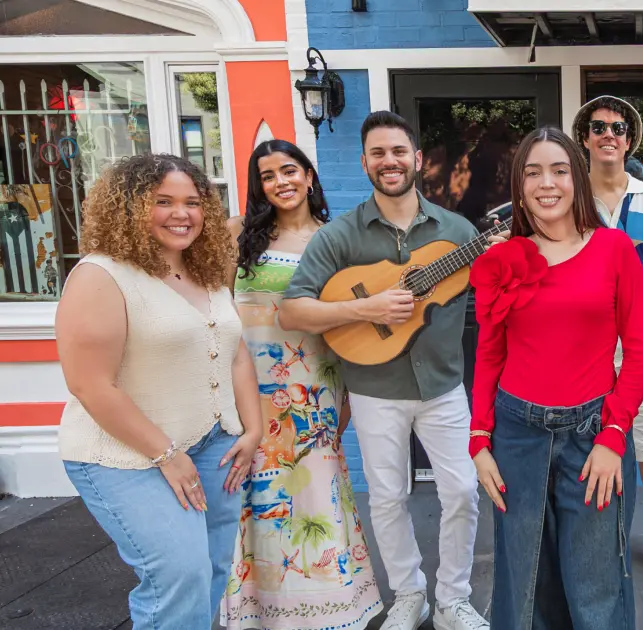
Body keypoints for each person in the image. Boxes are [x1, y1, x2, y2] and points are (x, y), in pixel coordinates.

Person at [279, 111, 496, 630]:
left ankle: (453, 599)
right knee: (388, 497)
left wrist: (505, 254)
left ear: (416, 159)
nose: (389, 161)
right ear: (364, 163)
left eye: (398, 151)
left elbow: (492, 293)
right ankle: (409, 594)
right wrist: (365, 310)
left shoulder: (457, 230)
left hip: (444, 385)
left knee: (463, 491)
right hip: (375, 387)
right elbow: (292, 309)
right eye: (378, 153)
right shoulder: (340, 236)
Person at [56, 153, 264, 628]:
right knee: (177, 574)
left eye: (193, 202)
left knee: (210, 568)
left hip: (214, 445)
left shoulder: (205, 270)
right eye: (163, 201)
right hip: (125, 456)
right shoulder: (101, 275)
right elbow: (89, 383)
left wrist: (251, 430)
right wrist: (167, 454)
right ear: (129, 207)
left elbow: (233, 352)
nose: (182, 213)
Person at [469, 125, 643, 629]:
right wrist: (479, 439)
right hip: (515, 436)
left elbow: (639, 351)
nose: (545, 183)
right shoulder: (502, 259)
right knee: (525, 583)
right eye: (532, 172)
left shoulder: (615, 250)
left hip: (593, 436)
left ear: (578, 179)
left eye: (558, 170)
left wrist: (614, 436)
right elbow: (488, 354)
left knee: (596, 586)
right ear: (520, 186)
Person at [221, 139, 383, 629]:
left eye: (289, 171)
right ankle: (258, 610)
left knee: (318, 488)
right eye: (267, 176)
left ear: (309, 176)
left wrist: (348, 398)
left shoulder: (336, 239)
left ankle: (329, 608)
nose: (280, 183)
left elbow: (350, 326)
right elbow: (213, 311)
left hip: (315, 385)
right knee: (253, 492)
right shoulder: (236, 235)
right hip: (248, 382)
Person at [571, 94, 643, 587]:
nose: (608, 135)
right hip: (579, 343)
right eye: (598, 127)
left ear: (629, 140)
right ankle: (599, 540)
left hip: (639, 341)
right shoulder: (568, 200)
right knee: (587, 441)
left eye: (617, 128)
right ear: (585, 139)